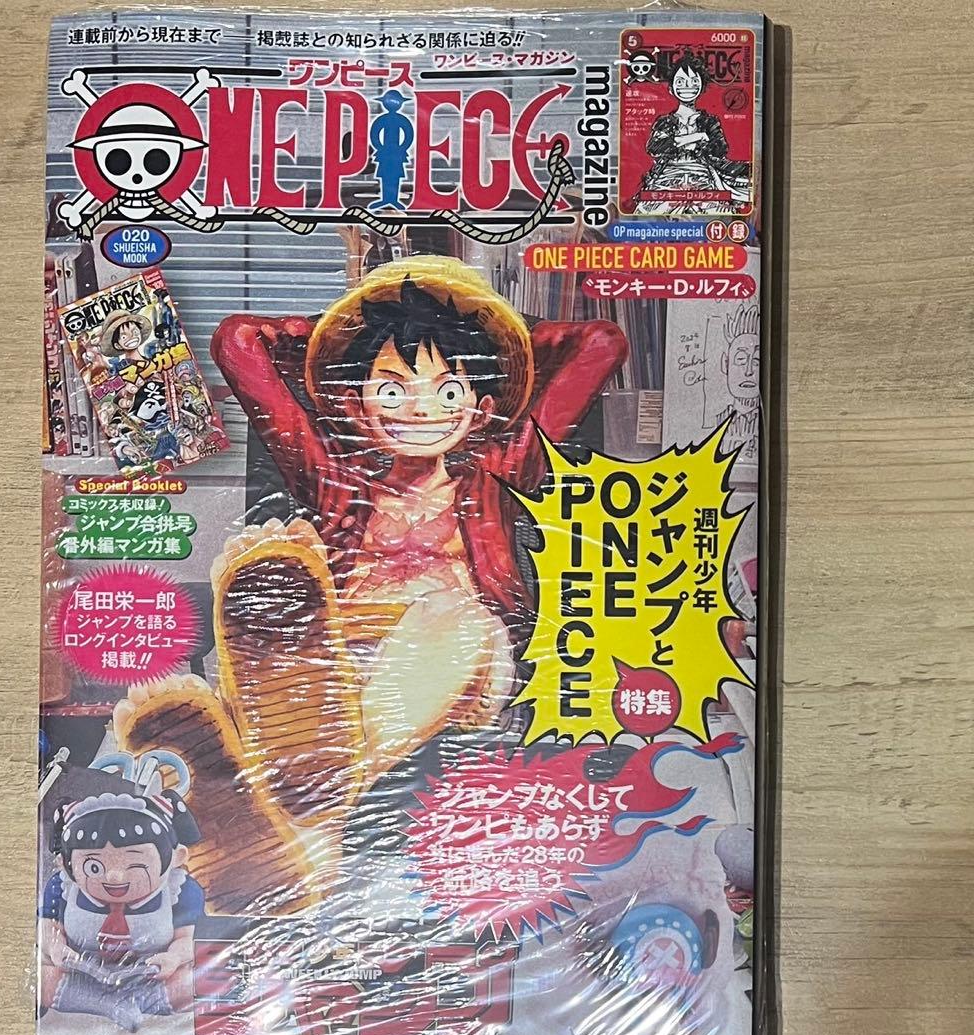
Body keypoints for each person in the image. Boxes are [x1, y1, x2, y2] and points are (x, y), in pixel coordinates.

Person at [113, 256, 629, 911]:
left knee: (452, 615)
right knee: (251, 653)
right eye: (391, 390)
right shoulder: (332, 478)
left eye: (447, 392)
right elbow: (237, 341)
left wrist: (476, 320)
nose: (420, 408)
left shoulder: (500, 473)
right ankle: (288, 846)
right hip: (325, 663)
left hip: (451, 664)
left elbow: (601, 343)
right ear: (355, 404)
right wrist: (347, 331)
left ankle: (302, 811)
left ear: (480, 410)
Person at [38, 789, 204, 1032]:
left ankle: (137, 1003)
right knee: (40, 977)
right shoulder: (62, 887)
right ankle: (103, 1004)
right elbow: (48, 927)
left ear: (176, 858)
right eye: (94, 866)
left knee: (197, 980)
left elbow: (187, 938)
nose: (114, 876)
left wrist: (174, 958)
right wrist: (56, 948)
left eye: (135, 864)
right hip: (82, 975)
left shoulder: (180, 889)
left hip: (150, 976)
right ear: (65, 863)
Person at [635, 52, 750, 216]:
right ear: (671, 89)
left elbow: (720, 149)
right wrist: (698, 137)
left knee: (720, 214)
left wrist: (683, 142)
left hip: (702, 175)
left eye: (694, 81)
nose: (687, 87)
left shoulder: (709, 121)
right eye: (680, 82)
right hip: (668, 176)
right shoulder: (665, 121)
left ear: (702, 87)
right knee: (647, 215)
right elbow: (654, 147)